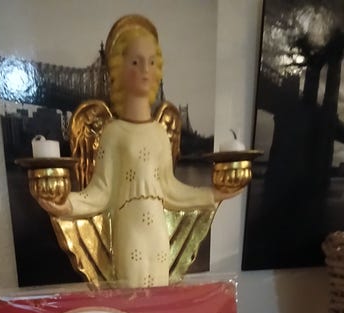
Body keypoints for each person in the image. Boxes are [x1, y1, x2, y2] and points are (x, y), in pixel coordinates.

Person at [39, 15, 235, 287]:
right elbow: (100, 192)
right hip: (129, 232)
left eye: (151, 62)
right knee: (131, 297)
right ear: (118, 69)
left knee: (160, 297)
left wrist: (213, 194)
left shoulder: (159, 134)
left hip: (158, 234)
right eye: (135, 62)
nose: (145, 69)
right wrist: (66, 204)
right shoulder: (113, 133)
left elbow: (170, 189)